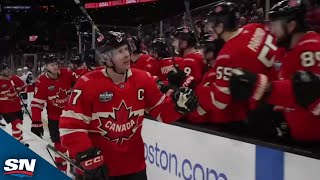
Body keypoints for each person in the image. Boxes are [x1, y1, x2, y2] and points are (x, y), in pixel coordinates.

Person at [59, 31, 198, 180]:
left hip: (135, 168)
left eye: (127, 49)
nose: (126, 54)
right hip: (102, 169)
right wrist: (86, 155)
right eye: (120, 51)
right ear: (106, 58)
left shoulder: (143, 79)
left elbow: (162, 112)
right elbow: (71, 127)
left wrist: (179, 107)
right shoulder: (87, 83)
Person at [229, 0, 320, 142]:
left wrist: (266, 89)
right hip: (294, 134)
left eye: (275, 25)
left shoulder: (312, 49)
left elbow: (309, 92)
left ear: (291, 25)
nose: (271, 31)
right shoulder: (284, 51)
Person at [187, 1, 278, 124]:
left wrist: (200, 90)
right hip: (279, 90)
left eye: (213, 25)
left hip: (263, 107)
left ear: (220, 26)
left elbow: (220, 101)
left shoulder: (227, 54)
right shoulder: (254, 27)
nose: (210, 29)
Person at [31, 54, 75, 172]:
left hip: (72, 115)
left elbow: (80, 87)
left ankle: (76, 169)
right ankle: (61, 170)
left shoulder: (68, 73)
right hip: (55, 118)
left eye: (56, 64)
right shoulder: (42, 81)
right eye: (52, 64)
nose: (55, 67)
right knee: (59, 145)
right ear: (46, 67)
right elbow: (37, 104)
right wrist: (36, 121)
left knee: (75, 142)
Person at [0, 63, 26, 143]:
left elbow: (24, 87)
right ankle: (17, 142)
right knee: (16, 123)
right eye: (5, 69)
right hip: (6, 109)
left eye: (8, 68)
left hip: (17, 106)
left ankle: (20, 140)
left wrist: (19, 90)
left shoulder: (14, 78)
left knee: (20, 124)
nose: (8, 70)